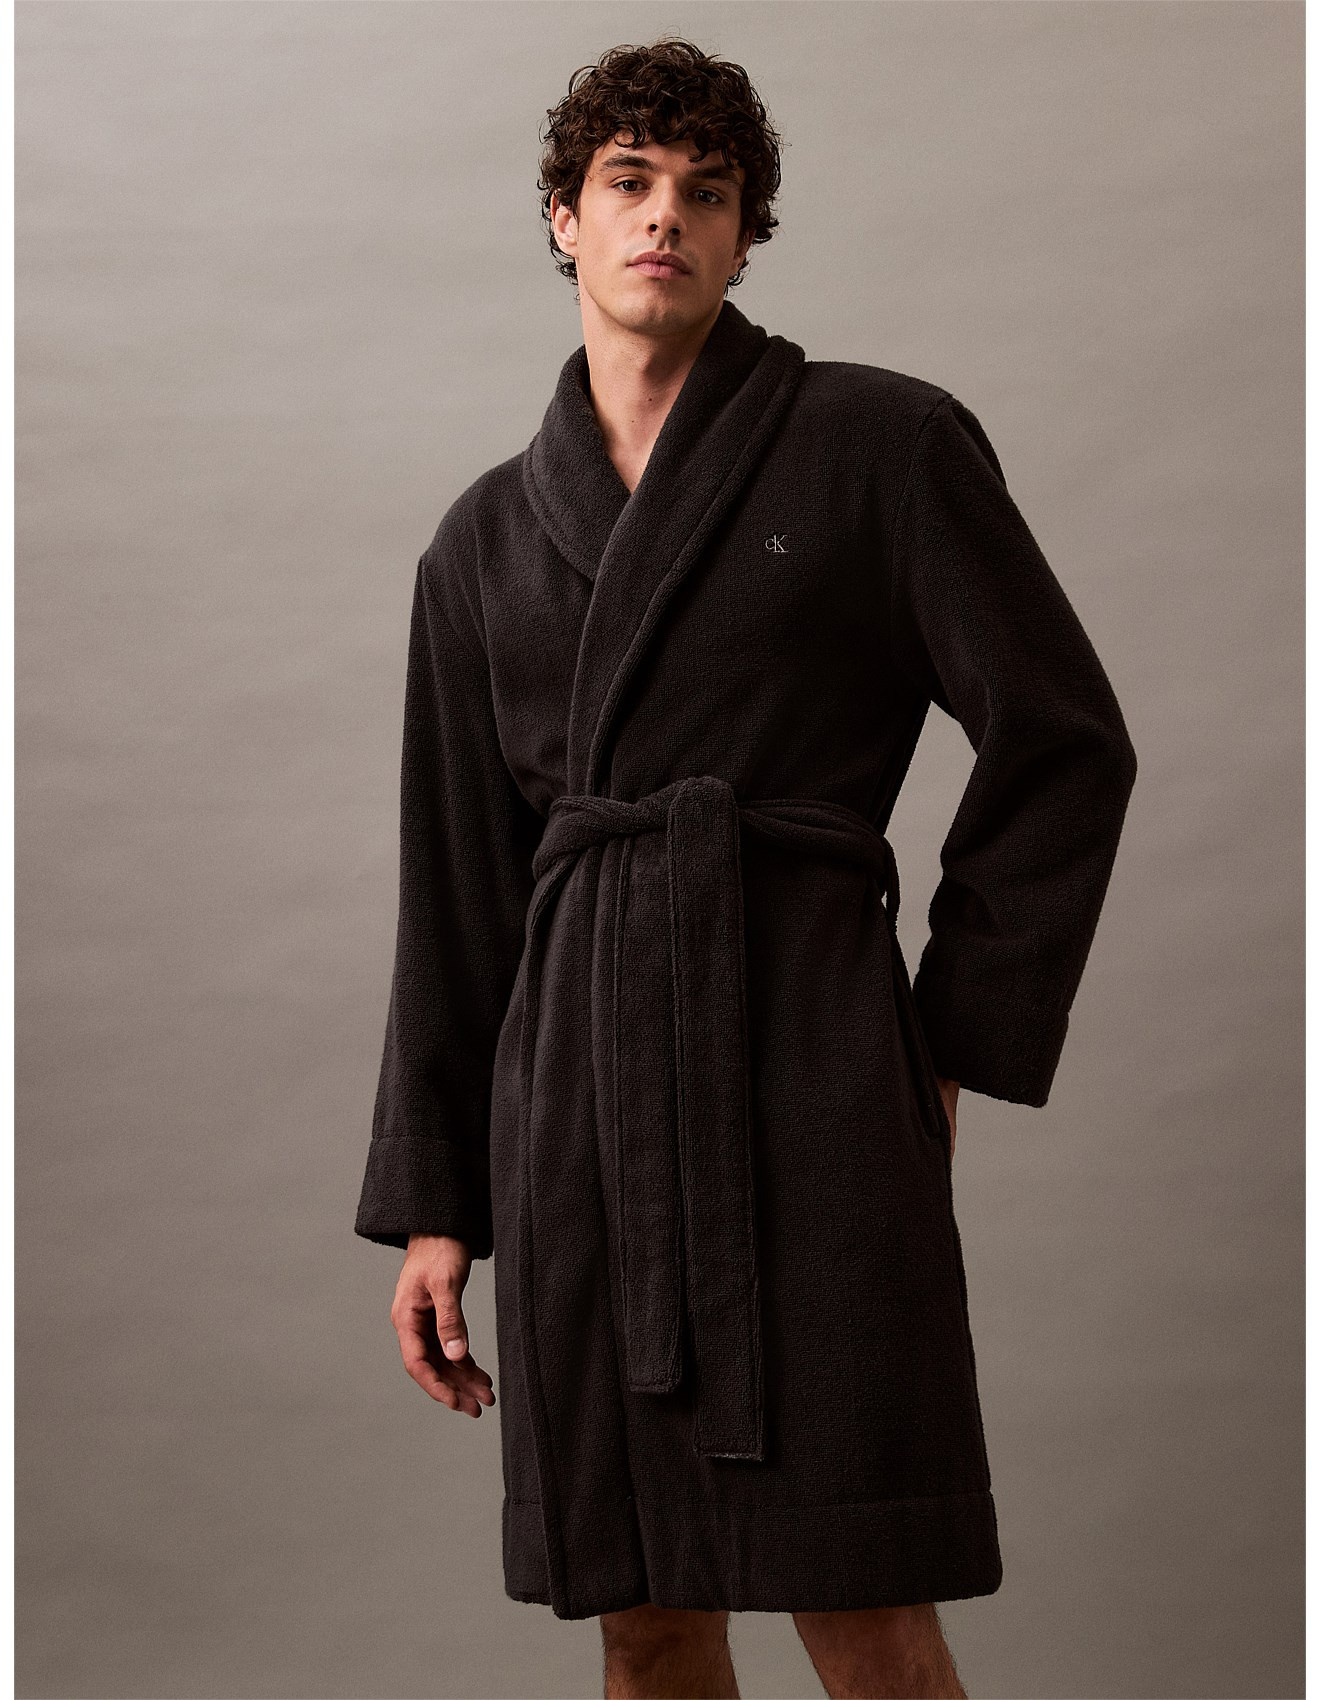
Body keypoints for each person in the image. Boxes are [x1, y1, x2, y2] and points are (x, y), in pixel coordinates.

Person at [354, 35, 1138, 1700]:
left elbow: (1065, 736)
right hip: (580, 1115)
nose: (667, 218)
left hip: (808, 1064)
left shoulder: (882, 446)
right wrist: (438, 1208)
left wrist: (949, 1039)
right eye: (630, 183)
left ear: (744, 236)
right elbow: (460, 890)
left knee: (864, 1605)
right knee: (643, 1613)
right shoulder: (480, 544)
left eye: (707, 194)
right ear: (565, 218)